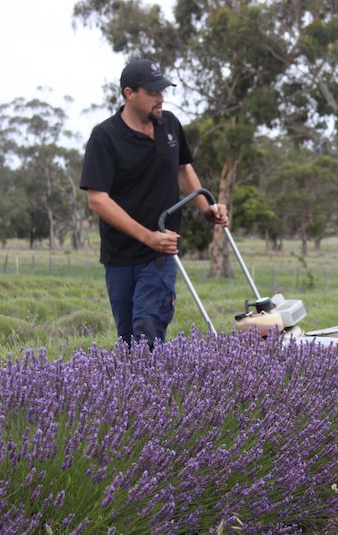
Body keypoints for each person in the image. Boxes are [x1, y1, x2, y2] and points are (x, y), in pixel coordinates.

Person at [80, 58, 229, 346]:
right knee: (127, 340)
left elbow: (183, 168)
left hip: (161, 253)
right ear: (129, 93)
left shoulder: (170, 124)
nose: (161, 98)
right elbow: (97, 200)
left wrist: (205, 208)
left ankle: (154, 388)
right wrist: (147, 237)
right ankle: (135, 390)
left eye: (162, 91)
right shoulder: (105, 137)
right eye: (152, 92)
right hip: (120, 255)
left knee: (147, 328)